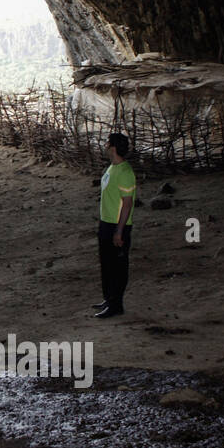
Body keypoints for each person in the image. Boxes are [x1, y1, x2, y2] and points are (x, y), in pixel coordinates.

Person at [94, 132, 136, 319]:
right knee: (107, 264)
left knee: (118, 266)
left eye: (107, 143)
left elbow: (127, 204)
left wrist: (119, 231)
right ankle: (109, 298)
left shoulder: (126, 173)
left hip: (118, 224)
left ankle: (116, 304)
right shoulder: (112, 168)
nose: (104, 146)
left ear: (113, 147)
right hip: (106, 222)